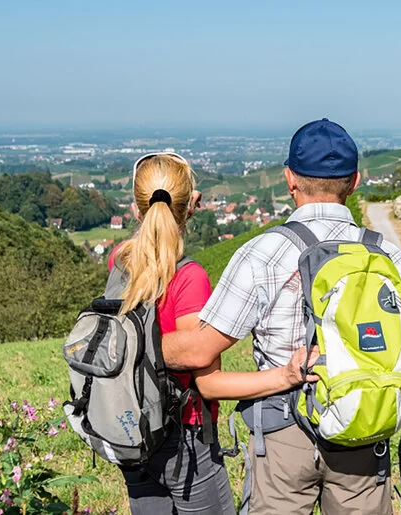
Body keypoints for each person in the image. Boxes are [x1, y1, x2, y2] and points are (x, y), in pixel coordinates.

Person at [161, 119, 401, 515]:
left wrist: (147, 343)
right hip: (364, 427)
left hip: (281, 433)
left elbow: (199, 352)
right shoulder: (387, 256)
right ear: (354, 181)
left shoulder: (264, 252)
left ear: (289, 178)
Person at [113, 152, 318, 515]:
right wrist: (284, 376)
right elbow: (208, 380)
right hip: (184, 437)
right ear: (194, 204)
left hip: (131, 429)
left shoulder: (120, 260)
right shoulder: (189, 277)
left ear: (134, 208)